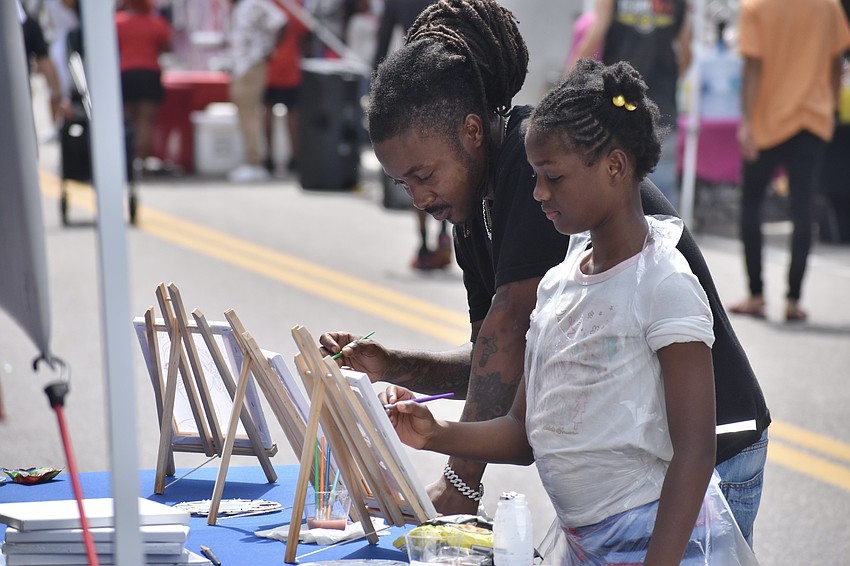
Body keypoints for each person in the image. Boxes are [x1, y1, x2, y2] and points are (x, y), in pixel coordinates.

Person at [320, 0, 769, 546]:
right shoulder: (475, 210)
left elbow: (508, 332)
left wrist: (460, 484)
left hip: (698, 462)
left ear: (470, 132)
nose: (418, 197)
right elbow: (520, 361)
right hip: (620, 485)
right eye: (402, 185)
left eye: (423, 174)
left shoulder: (544, 166)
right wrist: (398, 367)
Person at [727, 0, 850, 323]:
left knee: (751, 203)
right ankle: (794, 300)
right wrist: (831, 105)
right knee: (802, 207)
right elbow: (838, 60)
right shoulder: (828, 6)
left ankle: (756, 294)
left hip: (767, 121)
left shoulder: (756, 5)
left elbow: (752, 65)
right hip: (812, 118)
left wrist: (746, 122)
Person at [569, 0, 691, 210]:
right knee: (662, 195)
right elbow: (686, 53)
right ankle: (668, 242)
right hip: (662, 105)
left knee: (611, 182)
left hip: (617, 102)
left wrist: (568, 83)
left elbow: (595, 35)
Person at [372, 0, 450, 271]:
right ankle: (446, 233)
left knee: (415, 170)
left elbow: (381, 47)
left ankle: (423, 243)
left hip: (415, 86)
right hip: (449, 84)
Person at [227, 0, 287, 183]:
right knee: (244, 113)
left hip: (251, 65)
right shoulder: (241, 7)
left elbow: (282, 22)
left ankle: (255, 162)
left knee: (249, 114)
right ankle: (252, 159)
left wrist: (269, 49)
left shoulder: (256, 3)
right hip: (241, 66)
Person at [115, 0, 172, 176]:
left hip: (126, 73)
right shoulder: (157, 23)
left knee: (126, 120)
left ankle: (127, 162)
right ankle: (142, 164)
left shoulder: (118, 22)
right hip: (149, 72)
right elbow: (167, 46)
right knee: (145, 122)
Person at [264, 0, 308, 175]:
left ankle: (269, 156)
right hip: (289, 66)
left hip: (270, 64)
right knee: (291, 112)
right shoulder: (294, 5)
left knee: (267, 110)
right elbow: (305, 29)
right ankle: (294, 157)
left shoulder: (267, 4)